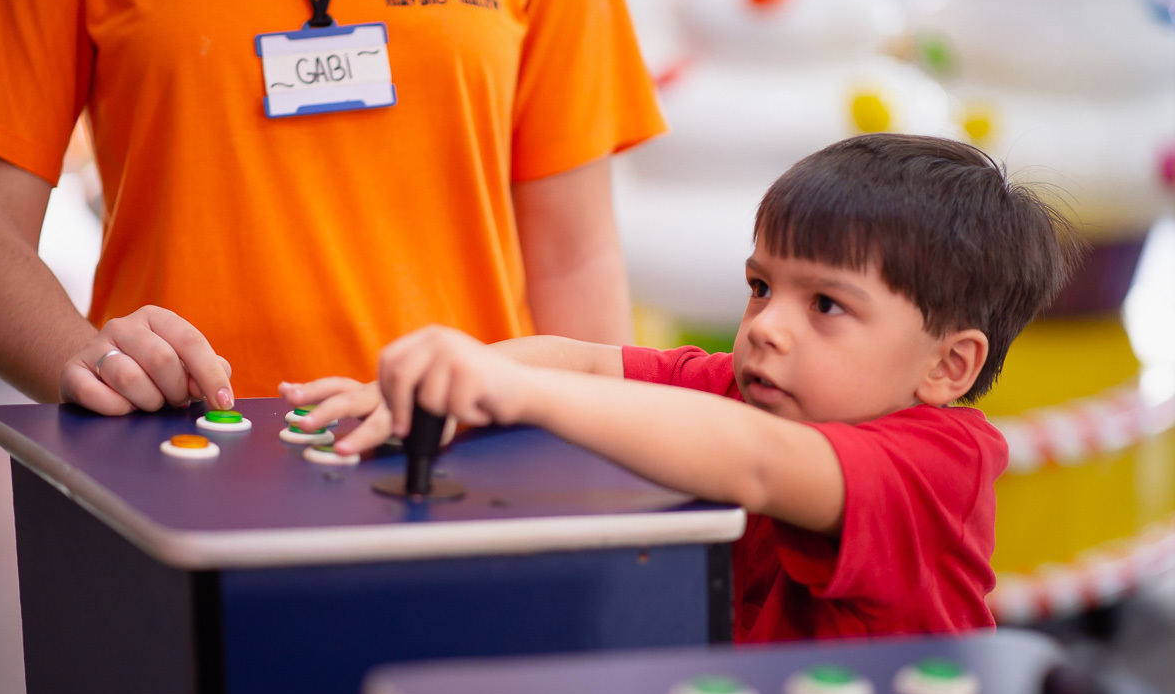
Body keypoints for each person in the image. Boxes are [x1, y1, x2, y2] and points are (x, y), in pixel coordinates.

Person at [282, 133, 1083, 641]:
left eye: (827, 304)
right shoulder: (751, 388)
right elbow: (594, 362)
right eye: (761, 286)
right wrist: (454, 378)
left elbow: (758, 464)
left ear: (950, 364)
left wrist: (521, 396)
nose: (767, 326)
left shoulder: (939, 462)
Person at [0, 0, 664, 415]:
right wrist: (87, 365)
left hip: (470, 458)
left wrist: (613, 495)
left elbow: (573, 259)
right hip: (175, 462)